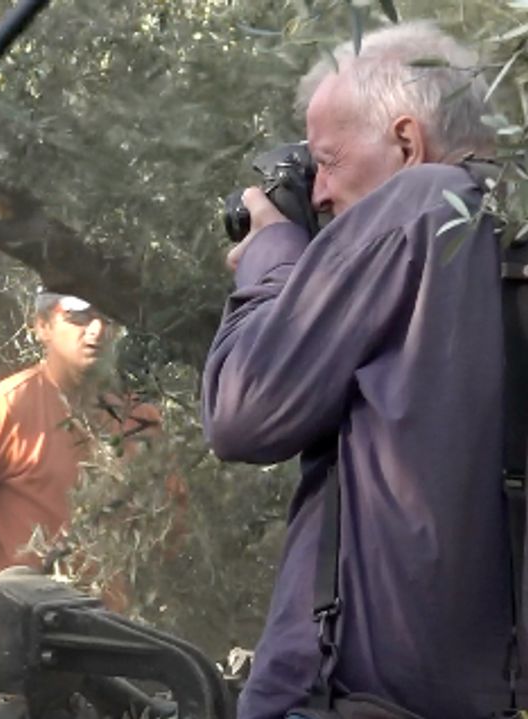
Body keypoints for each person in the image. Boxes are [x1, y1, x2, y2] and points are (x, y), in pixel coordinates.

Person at [201, 22, 522, 718]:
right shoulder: (507, 230)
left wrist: (274, 263)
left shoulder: (422, 203)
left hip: (354, 698)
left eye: (328, 160)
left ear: (407, 142)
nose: (317, 193)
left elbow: (242, 411)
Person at [0, 290, 169, 585]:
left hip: (116, 626)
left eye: (108, 318)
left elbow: (170, 533)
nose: (97, 330)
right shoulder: (4, 407)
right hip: (28, 623)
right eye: (79, 316)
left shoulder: (142, 421)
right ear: (42, 326)